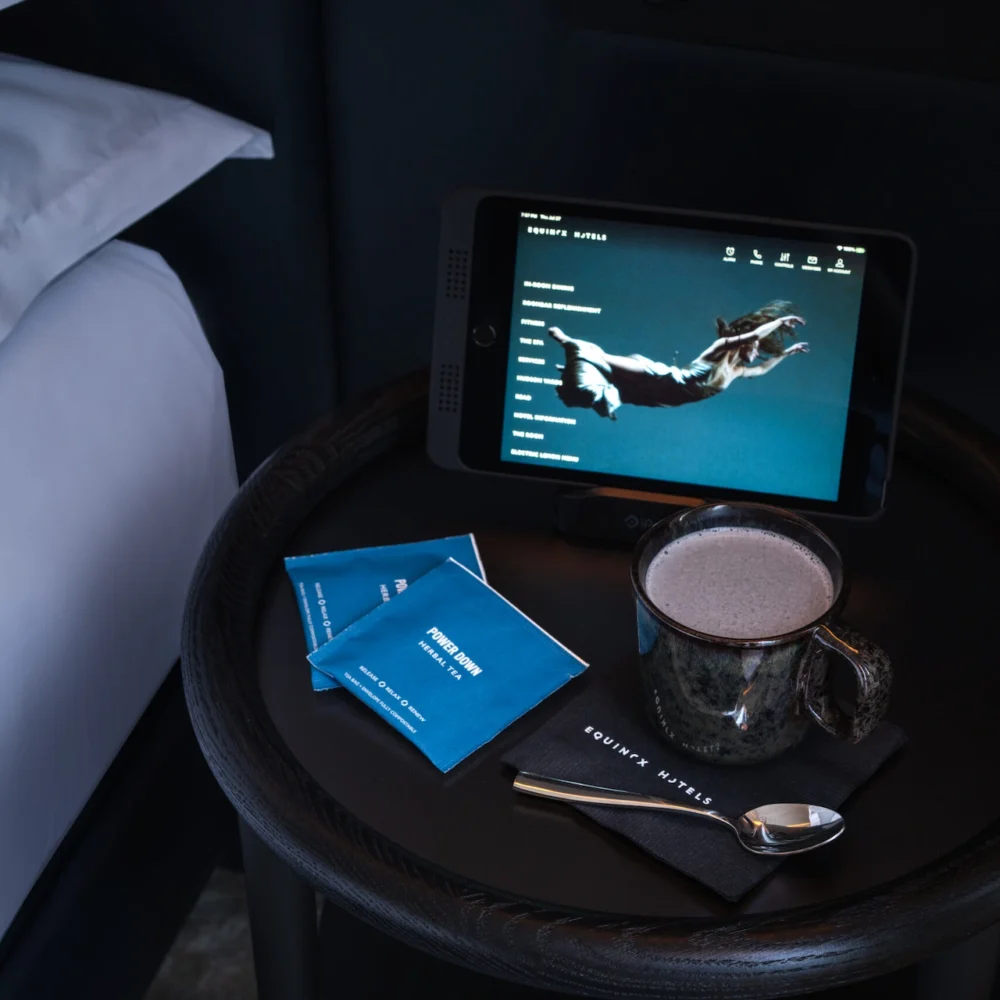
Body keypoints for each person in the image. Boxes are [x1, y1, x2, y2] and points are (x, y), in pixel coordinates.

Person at [548, 306, 809, 420]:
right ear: (743, 343)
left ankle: (579, 370)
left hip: (663, 398)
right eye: (755, 347)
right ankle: (565, 340)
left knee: (598, 394)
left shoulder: (737, 371)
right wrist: (778, 322)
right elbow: (753, 335)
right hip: (661, 377)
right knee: (602, 358)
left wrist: (786, 354)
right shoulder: (719, 350)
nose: (757, 352)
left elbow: (762, 369)